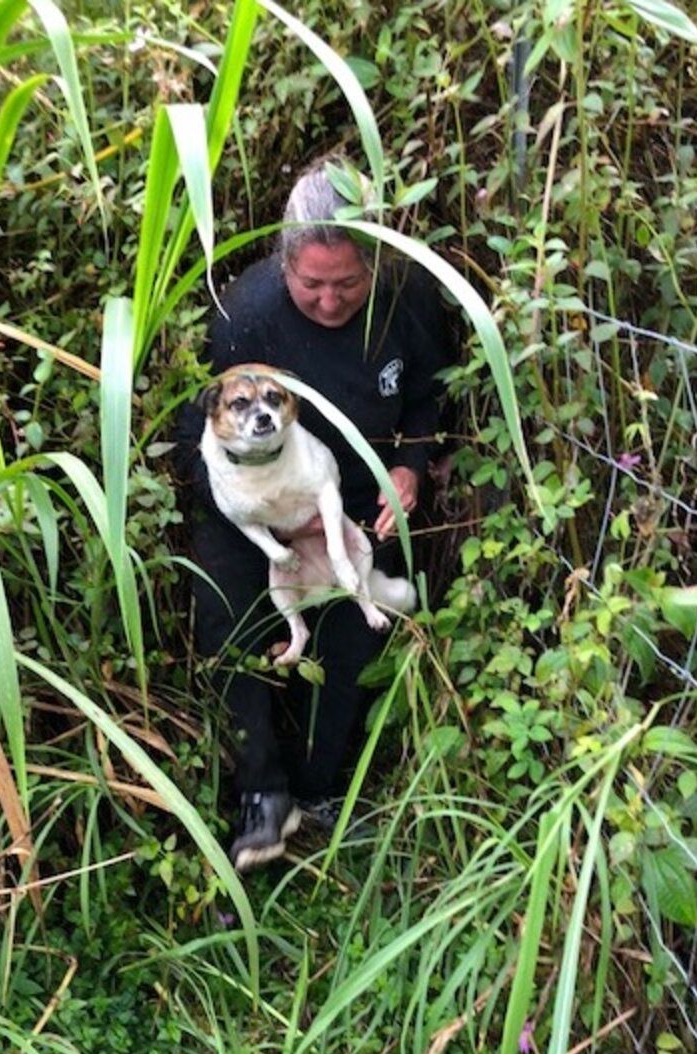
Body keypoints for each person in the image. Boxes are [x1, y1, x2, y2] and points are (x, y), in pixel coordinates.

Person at [176, 158, 455, 870]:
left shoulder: (408, 296)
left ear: (376, 265)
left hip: (354, 499)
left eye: (348, 284)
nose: (330, 302)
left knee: (357, 630)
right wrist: (265, 519)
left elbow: (428, 394)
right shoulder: (247, 315)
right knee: (224, 615)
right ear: (285, 266)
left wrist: (410, 465)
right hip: (254, 504)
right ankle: (262, 792)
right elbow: (196, 435)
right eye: (312, 285)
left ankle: (321, 789)